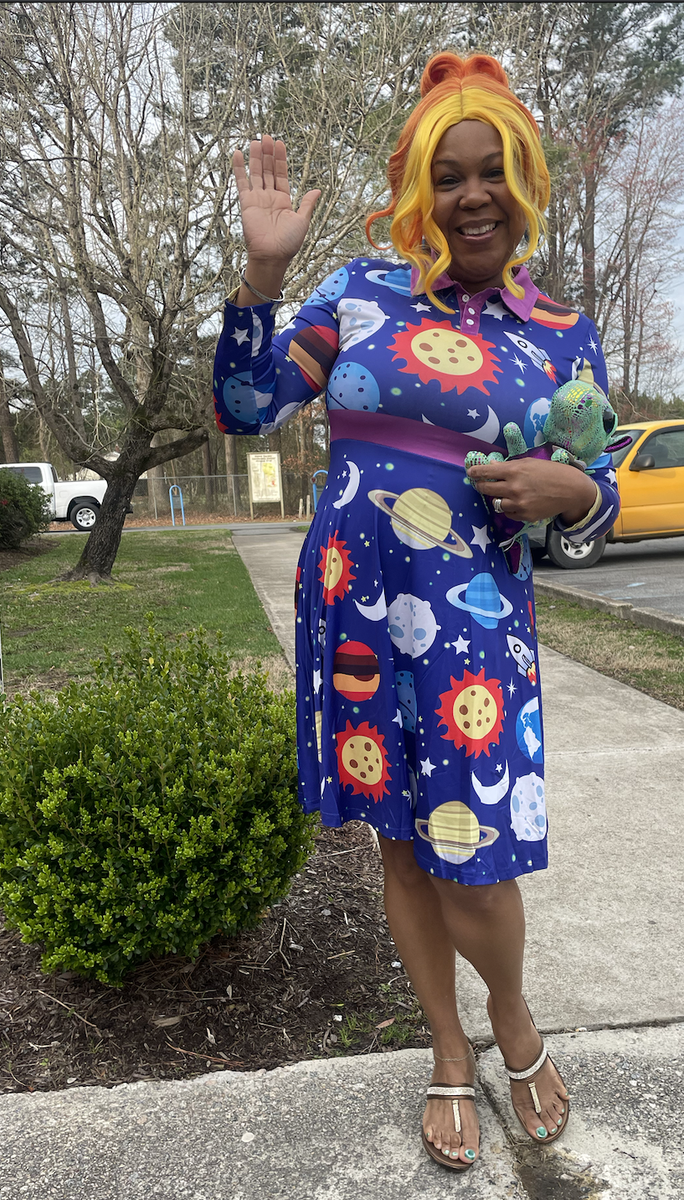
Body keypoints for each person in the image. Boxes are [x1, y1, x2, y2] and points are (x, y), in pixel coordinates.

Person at [213, 52, 618, 1172]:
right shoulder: (357, 293)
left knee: (472, 858)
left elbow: (602, 484)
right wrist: (257, 276)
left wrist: (573, 488)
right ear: (417, 191)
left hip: (474, 622)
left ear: (524, 180)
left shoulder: (558, 330)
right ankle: (447, 1049)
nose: (472, 194)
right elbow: (244, 406)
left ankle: (513, 1021)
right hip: (353, 609)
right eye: (448, 175)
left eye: (493, 171)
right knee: (401, 846)